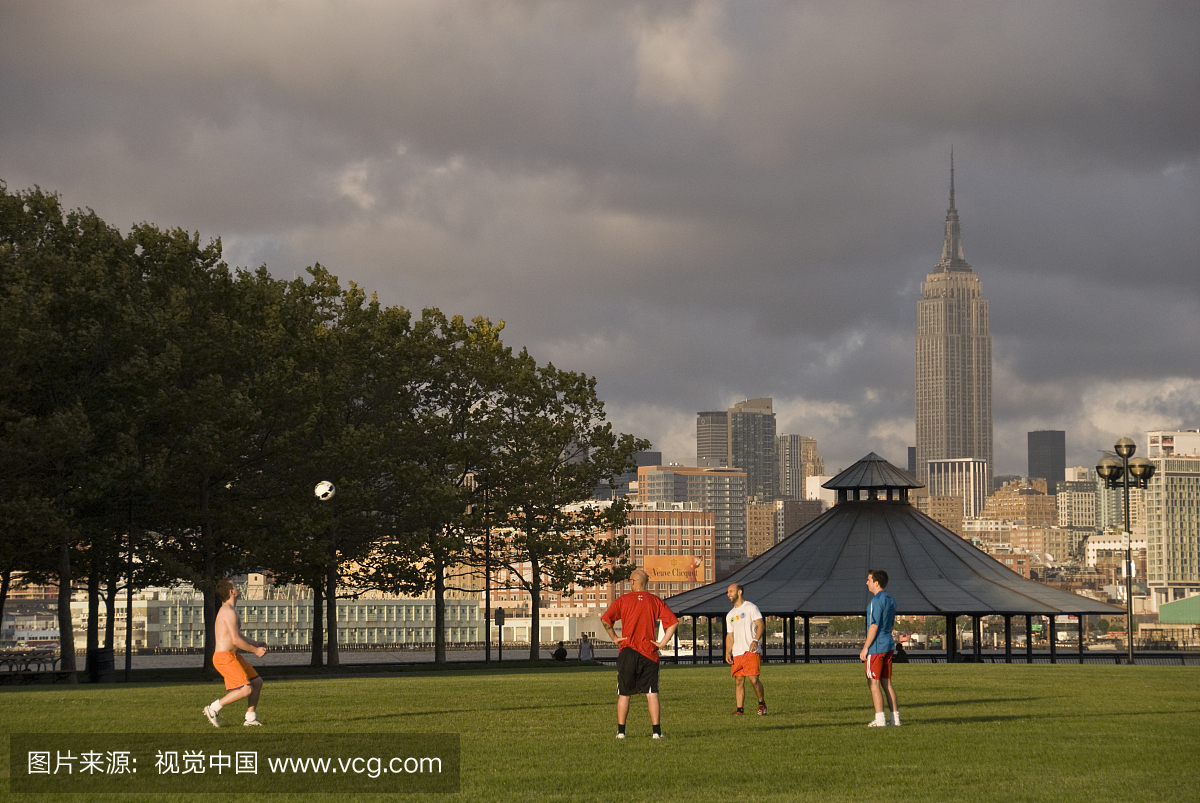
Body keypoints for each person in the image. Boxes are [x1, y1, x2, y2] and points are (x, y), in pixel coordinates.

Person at [601, 568, 679, 740]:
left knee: (624, 693)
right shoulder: (655, 601)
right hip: (649, 652)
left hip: (628, 650)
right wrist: (662, 643)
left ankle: (621, 732)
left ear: (633, 582)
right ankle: (656, 732)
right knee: (652, 693)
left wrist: (615, 638)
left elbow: (606, 620)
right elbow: (673, 622)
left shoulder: (623, 600)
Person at [203, 578, 268, 727]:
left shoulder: (231, 610)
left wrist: (255, 643)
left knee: (256, 682)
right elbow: (235, 640)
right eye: (235, 586)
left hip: (233, 656)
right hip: (224, 658)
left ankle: (250, 719)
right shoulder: (227, 612)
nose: (238, 587)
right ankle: (213, 708)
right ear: (231, 591)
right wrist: (255, 650)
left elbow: (238, 636)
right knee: (246, 689)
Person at [858, 569, 900, 727]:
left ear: (876, 583)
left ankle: (880, 718)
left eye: (869, 580)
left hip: (876, 647)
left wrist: (865, 648)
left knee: (873, 683)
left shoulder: (875, 602)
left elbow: (874, 625)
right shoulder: (891, 599)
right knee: (886, 682)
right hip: (889, 644)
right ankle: (895, 718)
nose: (867, 582)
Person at [724, 583, 766, 715]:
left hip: (751, 651)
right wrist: (727, 651)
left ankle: (761, 704)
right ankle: (739, 710)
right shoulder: (730, 615)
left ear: (739, 592)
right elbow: (730, 635)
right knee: (738, 681)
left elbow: (761, 625)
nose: (728, 594)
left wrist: (755, 640)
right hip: (737, 652)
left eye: (731, 591)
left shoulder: (751, 607)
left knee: (753, 679)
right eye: (728, 592)